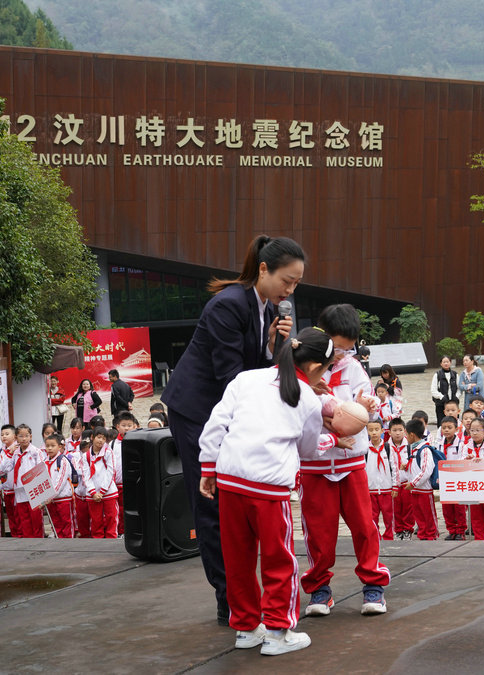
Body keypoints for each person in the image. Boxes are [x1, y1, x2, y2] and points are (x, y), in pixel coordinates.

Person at [160, 235, 302, 624]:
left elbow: (251, 371)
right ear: (263, 269)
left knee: (233, 503)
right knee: (211, 502)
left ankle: (242, 596)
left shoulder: (262, 307)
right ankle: (230, 600)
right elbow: (232, 378)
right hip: (198, 411)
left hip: (225, 410)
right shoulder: (229, 304)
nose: (290, 290)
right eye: (287, 281)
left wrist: (273, 346)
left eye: (296, 284)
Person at [198, 327, 332, 656]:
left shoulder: (247, 378)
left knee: (237, 558)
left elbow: (216, 423)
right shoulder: (308, 398)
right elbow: (309, 449)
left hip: (230, 478)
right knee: (278, 559)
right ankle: (277, 631)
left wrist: (208, 466)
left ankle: (246, 627)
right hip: (269, 486)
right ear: (316, 367)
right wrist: (333, 438)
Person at [299, 304, 390, 618]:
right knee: (318, 532)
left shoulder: (354, 369)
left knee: (364, 526)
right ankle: (319, 589)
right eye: (337, 349)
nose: (341, 355)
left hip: (350, 462)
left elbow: (366, 412)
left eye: (348, 349)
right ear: (322, 336)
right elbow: (293, 405)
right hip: (315, 463)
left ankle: (373, 585)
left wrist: (366, 407)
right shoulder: (302, 366)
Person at [404, 418, 439, 540]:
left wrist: (413, 483)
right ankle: (423, 535)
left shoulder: (424, 450)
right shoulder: (414, 449)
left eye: (406, 435)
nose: (406, 438)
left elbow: (426, 470)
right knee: (419, 515)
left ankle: (431, 535)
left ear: (412, 435)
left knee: (428, 515)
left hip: (424, 489)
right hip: (415, 490)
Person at [366, 420, 395, 541]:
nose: (374, 433)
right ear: (367, 432)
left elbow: (394, 468)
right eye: (371, 430)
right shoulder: (365, 449)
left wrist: (395, 486)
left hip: (386, 488)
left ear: (382, 431)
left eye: (376, 430)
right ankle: (375, 536)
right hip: (371, 489)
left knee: (389, 515)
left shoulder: (388, 448)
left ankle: (389, 535)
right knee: (372, 516)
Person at [43, 433, 76, 538]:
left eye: (53, 446)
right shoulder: (44, 462)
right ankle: (59, 543)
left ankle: (68, 544)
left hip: (63, 499)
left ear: (59, 447)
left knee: (66, 523)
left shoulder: (62, 460)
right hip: (51, 500)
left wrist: (50, 495)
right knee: (55, 524)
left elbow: (60, 481)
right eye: (47, 446)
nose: (50, 448)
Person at [430, 356, 459, 422]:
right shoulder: (437, 374)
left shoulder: (455, 374)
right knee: (441, 421)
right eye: (444, 362)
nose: (446, 363)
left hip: (453, 403)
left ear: (450, 363)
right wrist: (441, 397)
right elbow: (433, 390)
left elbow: (459, 388)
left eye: (447, 362)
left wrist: (456, 396)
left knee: (454, 422)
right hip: (441, 404)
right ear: (441, 363)